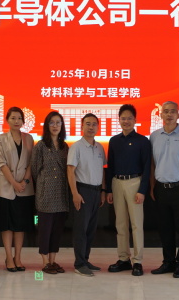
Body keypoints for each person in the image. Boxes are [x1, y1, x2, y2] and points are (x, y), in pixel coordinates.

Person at [149, 101, 179, 279]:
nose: (169, 115)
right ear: (161, 114)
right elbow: (152, 164)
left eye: (172, 112)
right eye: (166, 111)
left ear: (178, 115)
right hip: (161, 189)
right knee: (165, 229)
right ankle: (168, 262)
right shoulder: (154, 136)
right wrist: (152, 186)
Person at [105, 104, 151, 277]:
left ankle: (137, 261)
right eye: (123, 118)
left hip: (135, 183)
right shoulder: (114, 141)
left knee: (136, 224)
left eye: (129, 118)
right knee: (121, 224)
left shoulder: (143, 141)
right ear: (119, 120)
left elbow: (147, 167)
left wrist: (142, 190)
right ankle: (123, 258)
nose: (126, 121)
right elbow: (110, 166)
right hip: (117, 183)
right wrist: (109, 190)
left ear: (135, 120)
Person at [0, 107, 35, 272]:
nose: (16, 121)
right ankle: (9, 257)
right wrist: (14, 183)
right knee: (7, 224)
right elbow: (1, 163)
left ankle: (18, 257)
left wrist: (24, 181)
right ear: (7, 120)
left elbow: (31, 162)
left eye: (19, 118)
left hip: (25, 187)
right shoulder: (0, 139)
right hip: (6, 187)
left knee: (20, 224)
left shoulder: (29, 138)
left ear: (23, 121)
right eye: (13, 118)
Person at [67, 113, 106, 277]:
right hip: (82, 191)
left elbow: (102, 170)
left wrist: (103, 191)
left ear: (98, 127)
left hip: (96, 192)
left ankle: (85, 259)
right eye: (88, 124)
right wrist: (75, 193)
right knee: (81, 230)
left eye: (94, 124)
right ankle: (79, 263)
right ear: (82, 126)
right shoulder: (76, 147)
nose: (91, 127)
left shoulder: (100, 148)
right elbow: (70, 171)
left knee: (91, 229)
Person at [31, 111, 69, 275]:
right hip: (45, 193)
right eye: (52, 122)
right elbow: (34, 170)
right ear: (47, 126)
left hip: (61, 193)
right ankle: (45, 262)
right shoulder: (40, 146)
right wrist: (44, 183)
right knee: (45, 229)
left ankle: (53, 260)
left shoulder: (64, 146)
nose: (55, 126)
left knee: (57, 229)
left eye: (58, 122)